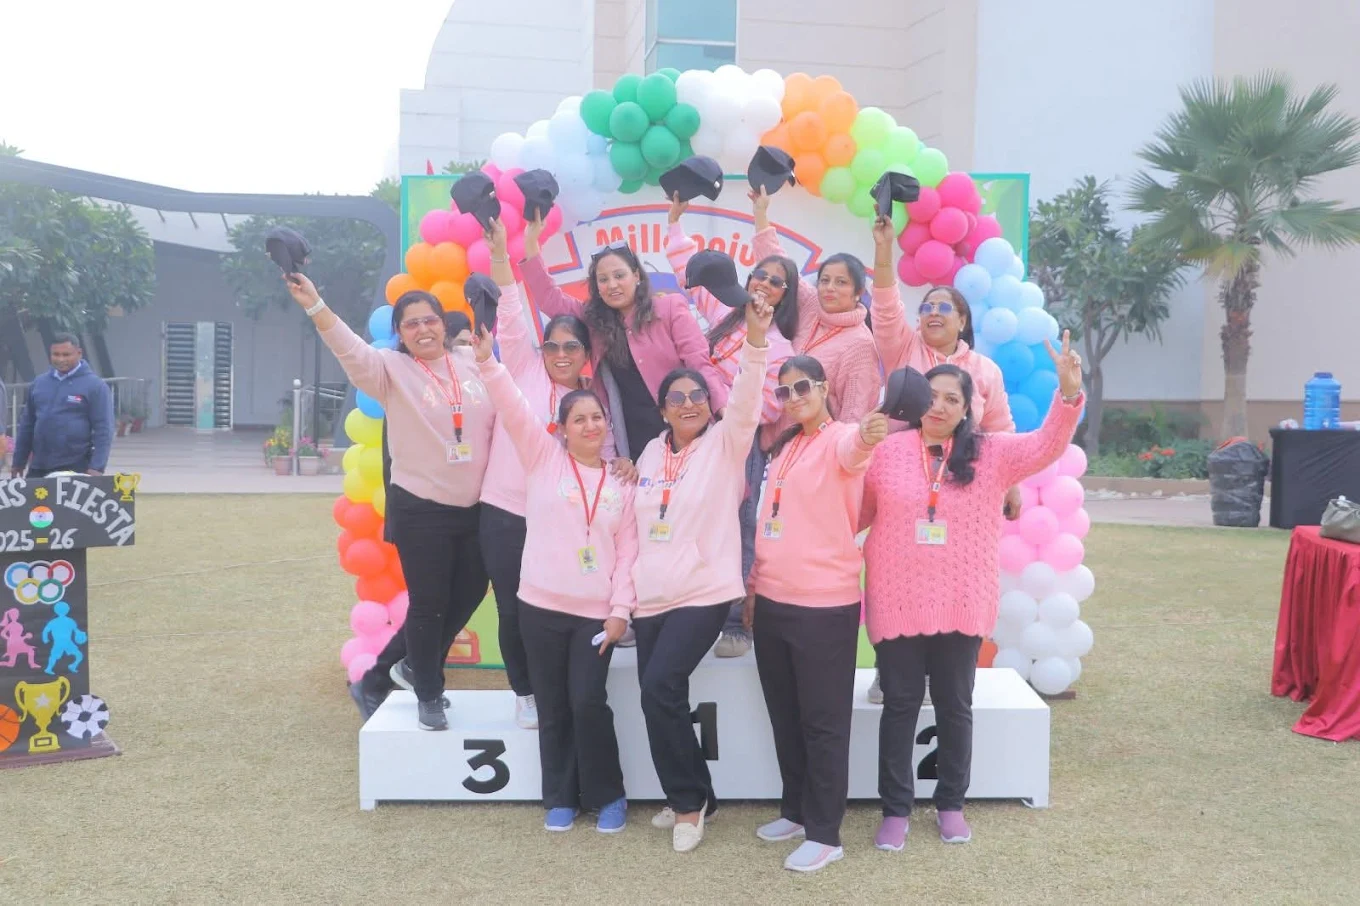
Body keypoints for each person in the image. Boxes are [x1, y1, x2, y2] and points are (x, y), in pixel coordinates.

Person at [861, 334, 1085, 851]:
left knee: (955, 706)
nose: (938, 406)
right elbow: (855, 513)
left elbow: (1046, 444)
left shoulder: (991, 453)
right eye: (931, 397)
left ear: (968, 410)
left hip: (962, 599)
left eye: (951, 399)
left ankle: (950, 805)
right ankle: (895, 809)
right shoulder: (885, 453)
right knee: (899, 706)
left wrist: (1069, 394)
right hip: (897, 598)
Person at [287, 274, 493, 731]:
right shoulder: (388, 369)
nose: (423, 329)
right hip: (422, 508)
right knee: (429, 603)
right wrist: (315, 303)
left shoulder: (471, 360)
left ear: (443, 324)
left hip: (476, 506)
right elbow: (347, 347)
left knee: (470, 594)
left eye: (430, 320)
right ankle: (429, 693)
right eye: (411, 323)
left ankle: (385, 674)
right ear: (399, 332)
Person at [474, 322, 637, 834]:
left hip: (593, 618)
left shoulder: (622, 483)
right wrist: (488, 362)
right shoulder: (543, 459)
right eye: (579, 419)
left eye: (597, 418)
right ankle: (561, 797)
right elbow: (513, 406)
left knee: (588, 703)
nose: (590, 426)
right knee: (553, 706)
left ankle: (608, 794)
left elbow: (629, 555)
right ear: (561, 428)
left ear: (607, 425)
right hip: (540, 610)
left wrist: (620, 613)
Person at [630, 282, 773, 854]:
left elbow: (747, 400)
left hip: (705, 591)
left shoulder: (725, 444)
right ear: (663, 408)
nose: (688, 403)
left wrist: (756, 341)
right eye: (676, 397)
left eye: (697, 395)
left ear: (709, 404)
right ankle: (693, 793)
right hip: (651, 596)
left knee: (660, 686)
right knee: (654, 696)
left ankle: (689, 804)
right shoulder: (649, 452)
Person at [481, 220, 631, 730]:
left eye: (572, 347)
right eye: (554, 347)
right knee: (511, 608)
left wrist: (623, 466)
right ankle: (525, 692)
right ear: (541, 350)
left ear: (587, 354)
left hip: (561, 522)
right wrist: (502, 255)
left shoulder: (591, 401)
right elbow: (510, 308)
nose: (561, 355)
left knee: (551, 611)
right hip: (505, 512)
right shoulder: (522, 367)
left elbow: (604, 455)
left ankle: (562, 687)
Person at [866, 215, 1021, 705]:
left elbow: (1000, 429)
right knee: (899, 577)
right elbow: (885, 304)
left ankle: (945, 673)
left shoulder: (985, 371)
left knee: (950, 581)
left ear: (962, 321)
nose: (932, 313)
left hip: (961, 489)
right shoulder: (903, 350)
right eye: (926, 307)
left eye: (943, 307)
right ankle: (890, 669)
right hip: (902, 485)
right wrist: (885, 249)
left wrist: (1011, 485)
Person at [745, 355, 890, 872]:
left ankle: (826, 833)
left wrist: (868, 434)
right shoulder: (785, 446)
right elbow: (770, 522)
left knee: (823, 723)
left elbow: (857, 449)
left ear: (824, 388)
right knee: (785, 715)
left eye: (802, 387)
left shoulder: (842, 438)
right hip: (773, 601)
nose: (793, 397)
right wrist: (754, 588)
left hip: (824, 606)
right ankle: (797, 811)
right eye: (784, 391)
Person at [663, 193, 798, 658]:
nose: (765, 283)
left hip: (738, 446)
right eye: (760, 274)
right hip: (692, 437)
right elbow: (691, 271)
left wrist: (713, 389)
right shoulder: (725, 314)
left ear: (785, 295)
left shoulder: (781, 348)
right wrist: (674, 222)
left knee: (739, 527)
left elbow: (768, 410)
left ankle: (736, 623)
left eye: (776, 281)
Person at [521, 215, 731, 462]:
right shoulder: (594, 321)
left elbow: (699, 363)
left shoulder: (669, 308)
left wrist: (724, 411)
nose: (612, 285)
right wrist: (531, 243)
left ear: (637, 276)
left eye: (619, 275)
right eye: (603, 279)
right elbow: (549, 299)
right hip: (633, 443)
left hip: (684, 428)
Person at [750, 187, 883, 422]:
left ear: (858, 293)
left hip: (815, 441)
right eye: (825, 280)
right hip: (768, 431)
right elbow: (779, 264)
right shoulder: (812, 304)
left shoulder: (861, 346)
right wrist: (760, 213)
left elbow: (855, 416)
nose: (830, 288)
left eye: (841, 282)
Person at [10, 334, 114, 478]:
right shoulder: (39, 383)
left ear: (79, 353)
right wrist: (18, 461)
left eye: (66, 354)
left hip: (76, 465)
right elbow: (27, 425)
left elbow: (104, 429)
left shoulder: (96, 386)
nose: (60, 359)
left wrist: (97, 466)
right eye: (56, 354)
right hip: (39, 465)